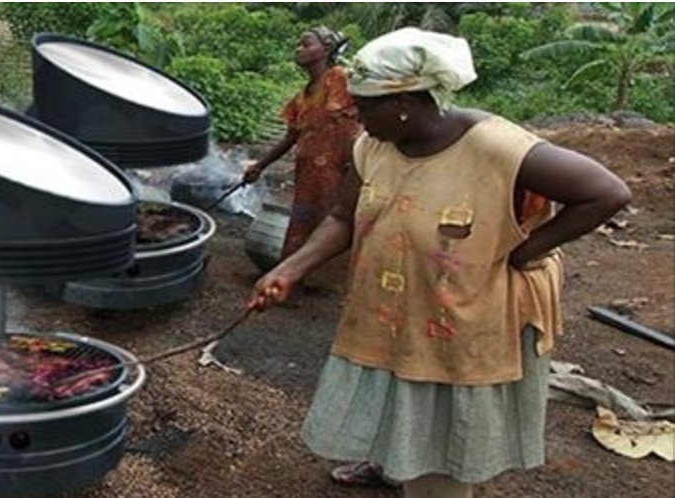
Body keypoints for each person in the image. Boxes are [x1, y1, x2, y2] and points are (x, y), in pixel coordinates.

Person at [246, 27, 631, 498]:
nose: (357, 117)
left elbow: (606, 193)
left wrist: (523, 250)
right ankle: (397, 463)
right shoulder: (373, 147)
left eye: (366, 106)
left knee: (444, 428)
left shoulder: (494, 146)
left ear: (404, 101)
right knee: (401, 391)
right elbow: (344, 216)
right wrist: (289, 269)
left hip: (463, 311)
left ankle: (432, 479)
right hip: (394, 303)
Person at [243, 26, 363, 261]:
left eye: (306, 44)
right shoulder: (302, 96)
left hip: (340, 172)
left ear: (326, 49)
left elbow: (357, 125)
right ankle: (298, 276)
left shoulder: (338, 79)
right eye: (299, 44)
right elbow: (291, 137)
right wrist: (259, 166)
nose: (299, 49)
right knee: (305, 227)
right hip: (309, 176)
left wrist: (355, 167)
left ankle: (326, 280)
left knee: (334, 225)